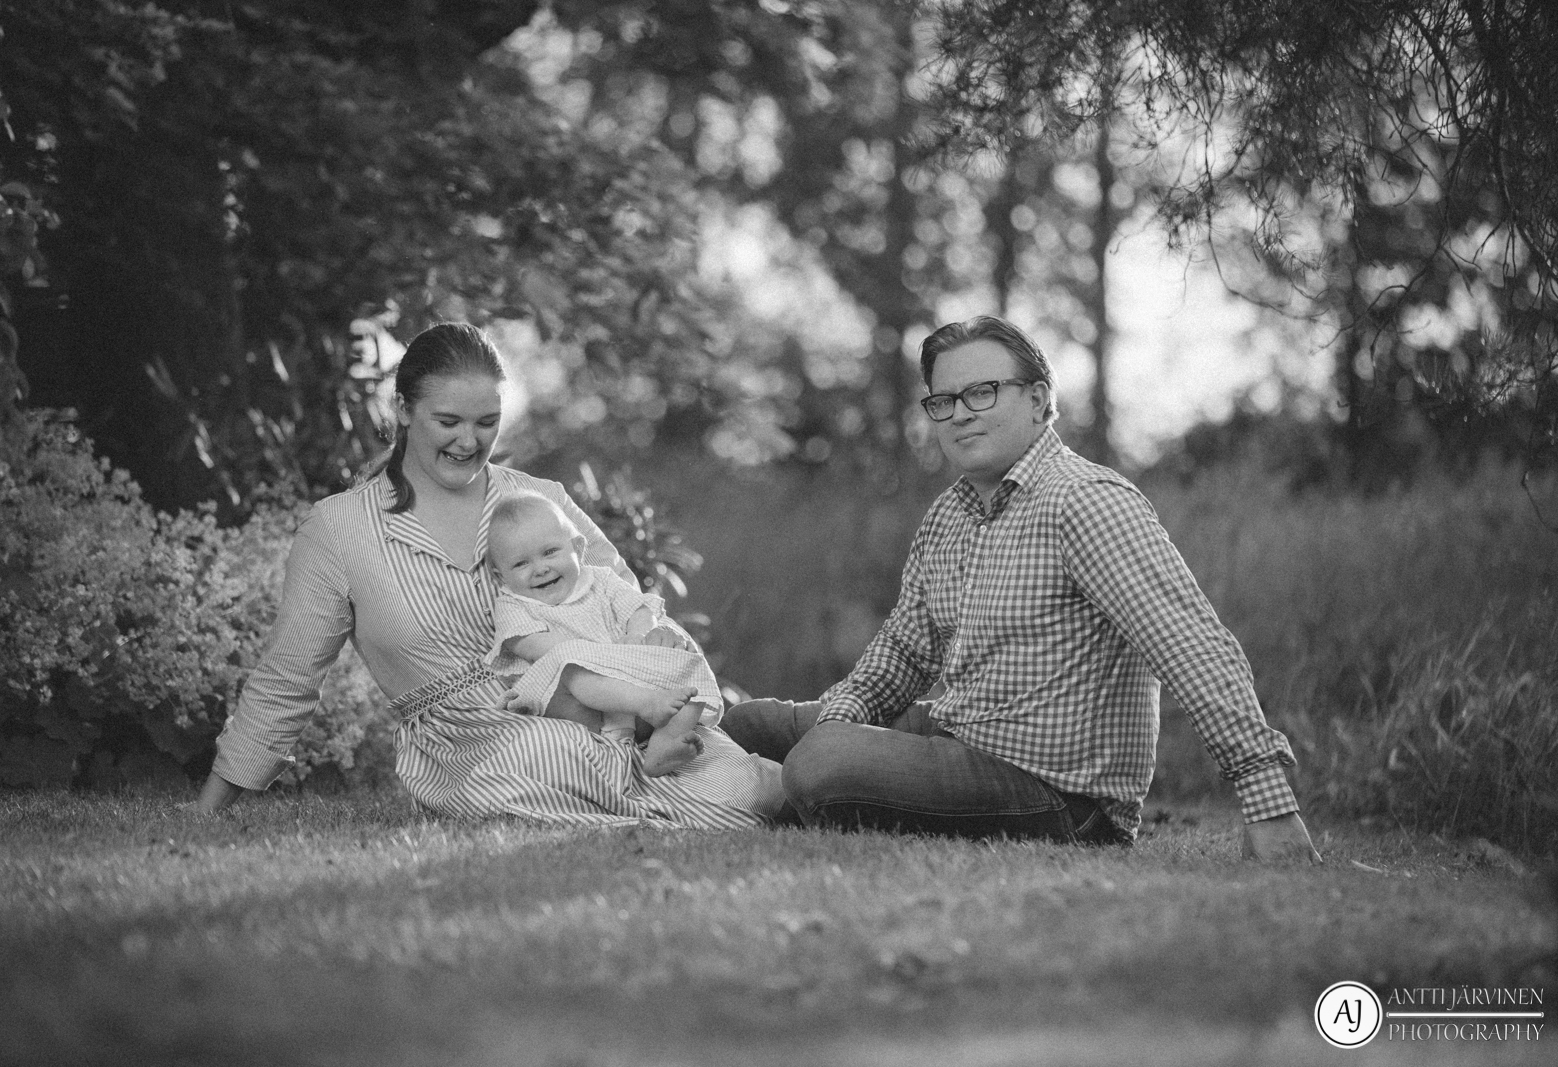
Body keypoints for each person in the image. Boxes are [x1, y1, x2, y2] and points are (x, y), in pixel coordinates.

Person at [721, 316, 1320, 861]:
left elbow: (1188, 643)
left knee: (819, 763)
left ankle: (767, 798)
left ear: (1037, 400)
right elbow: (902, 654)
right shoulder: (949, 516)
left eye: (982, 392)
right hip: (959, 738)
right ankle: (731, 794)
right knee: (746, 725)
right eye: (944, 400)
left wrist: (1264, 796)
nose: (960, 413)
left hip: (1058, 795)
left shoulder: (1086, 502)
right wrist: (839, 720)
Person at [193, 322, 778, 829]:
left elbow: (623, 599)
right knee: (533, 755)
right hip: (480, 741)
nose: (468, 442)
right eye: (447, 421)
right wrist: (209, 809)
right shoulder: (340, 529)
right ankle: (646, 804)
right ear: (403, 410)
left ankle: (776, 765)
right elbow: (289, 676)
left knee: (745, 786)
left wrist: (652, 666)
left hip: (611, 711)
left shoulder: (539, 500)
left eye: (487, 422)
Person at [482, 489, 768, 790]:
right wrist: (607, 657)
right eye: (521, 564)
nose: (540, 569)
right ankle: (647, 705)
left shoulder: (601, 581)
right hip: (571, 705)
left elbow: (639, 609)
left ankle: (665, 742)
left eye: (550, 552)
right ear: (500, 577)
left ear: (577, 547)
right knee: (568, 660)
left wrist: (639, 637)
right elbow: (534, 647)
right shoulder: (513, 605)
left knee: (685, 657)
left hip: (629, 691)